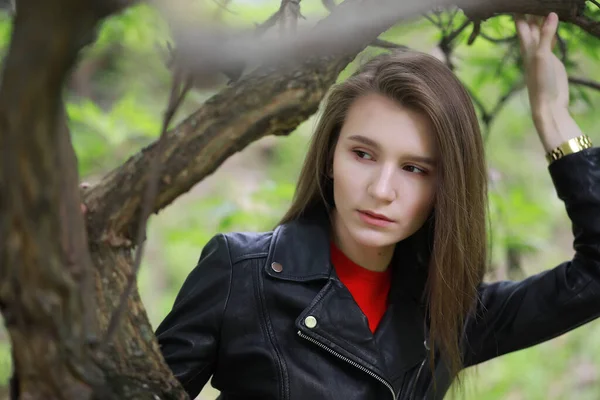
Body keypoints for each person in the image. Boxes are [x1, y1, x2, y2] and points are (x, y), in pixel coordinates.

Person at [154, 12, 599, 400]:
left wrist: (553, 115)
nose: (382, 190)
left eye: (415, 169)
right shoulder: (241, 272)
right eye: (363, 155)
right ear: (330, 156)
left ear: (445, 188)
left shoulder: (445, 314)